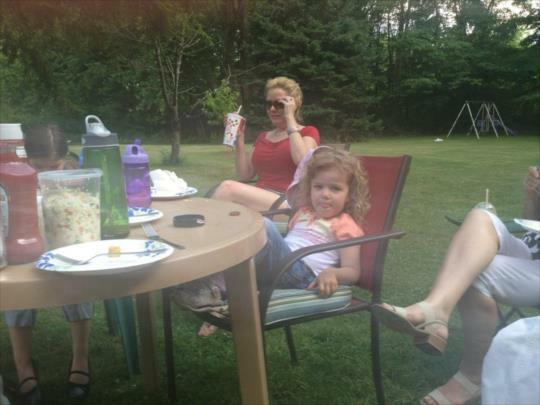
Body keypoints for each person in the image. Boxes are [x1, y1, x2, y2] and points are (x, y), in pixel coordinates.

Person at [372, 165, 540, 405]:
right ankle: (434, 310)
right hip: (531, 252)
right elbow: (533, 222)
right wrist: (532, 194)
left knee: (477, 271)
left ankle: (471, 375)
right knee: (480, 217)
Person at [176, 148, 370, 331]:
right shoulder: (303, 213)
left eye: (335, 189)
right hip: (280, 270)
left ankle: (213, 288)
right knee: (244, 227)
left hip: (304, 277)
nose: (325, 194)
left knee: (261, 226)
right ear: (310, 188)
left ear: (349, 195)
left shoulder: (346, 224)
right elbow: (288, 242)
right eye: (318, 187)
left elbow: (353, 272)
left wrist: (332, 273)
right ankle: (207, 282)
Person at [3, 124, 92, 404]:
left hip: (62, 242)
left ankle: (80, 358)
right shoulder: (11, 178)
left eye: (53, 166)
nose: (43, 174)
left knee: (77, 281)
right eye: (37, 167)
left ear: (65, 160)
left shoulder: (74, 179)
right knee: (16, 289)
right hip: (22, 246)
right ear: (25, 158)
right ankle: (23, 366)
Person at [210, 76, 320, 211]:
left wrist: (290, 118)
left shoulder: (308, 132)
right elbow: (245, 175)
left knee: (227, 188)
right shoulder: (263, 137)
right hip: (261, 201)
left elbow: (302, 160)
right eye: (269, 104)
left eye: (279, 104)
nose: (272, 109)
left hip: (288, 203)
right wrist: (239, 138)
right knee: (223, 202)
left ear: (293, 105)